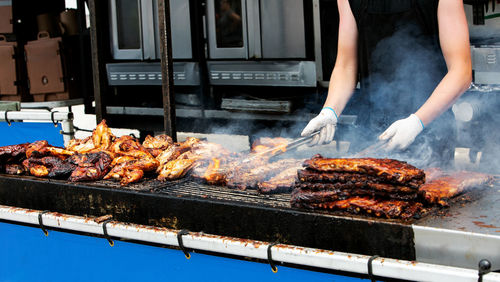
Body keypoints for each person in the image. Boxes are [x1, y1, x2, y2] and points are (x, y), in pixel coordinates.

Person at [301, 0, 472, 168]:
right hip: (371, 131)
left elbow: (461, 72)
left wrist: (416, 122)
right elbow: (345, 66)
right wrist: (329, 111)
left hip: (429, 132)